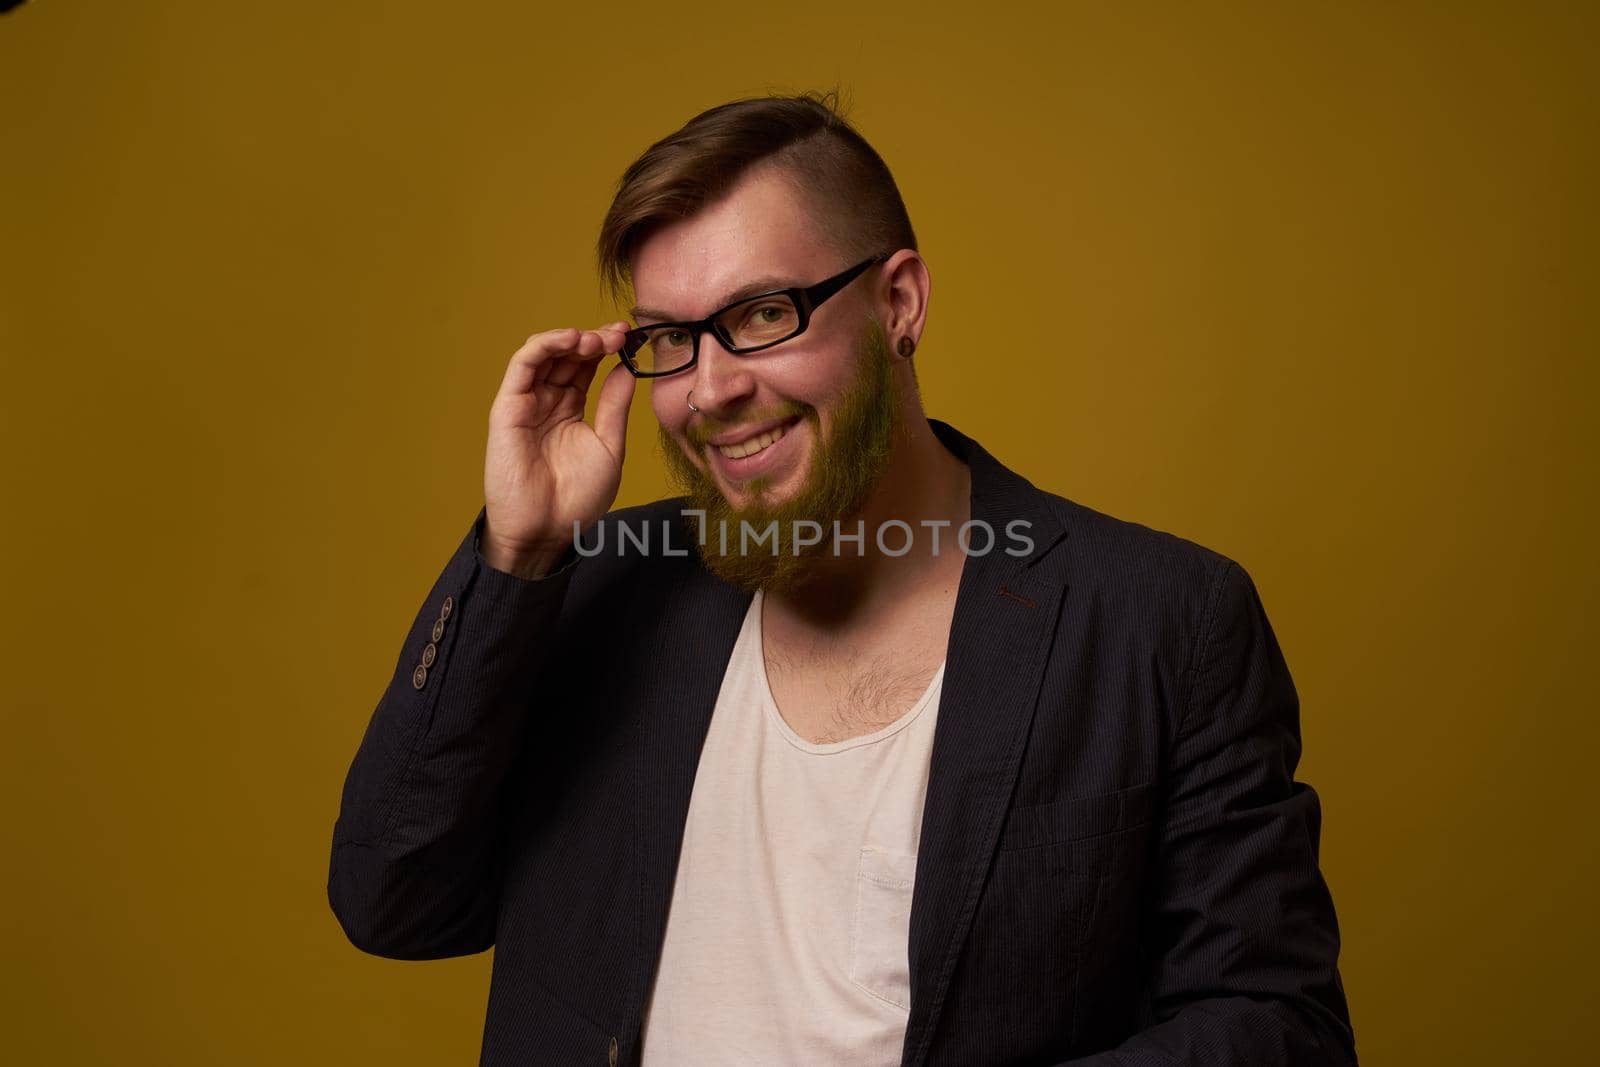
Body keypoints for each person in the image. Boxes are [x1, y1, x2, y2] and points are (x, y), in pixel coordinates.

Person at [327, 91, 1357, 1066]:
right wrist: (520, 554)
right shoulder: (593, 586)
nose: (711, 388)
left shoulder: (1159, 620)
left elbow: (1276, 1026)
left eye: (764, 313)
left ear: (899, 301)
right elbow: (394, 901)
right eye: (669, 341)